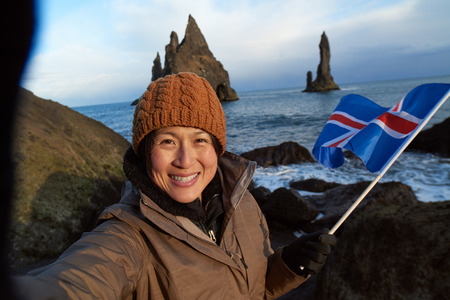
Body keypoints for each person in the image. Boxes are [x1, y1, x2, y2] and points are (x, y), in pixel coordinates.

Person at [13, 72, 336, 299]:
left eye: (199, 140)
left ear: (217, 149)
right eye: (167, 141)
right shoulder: (128, 237)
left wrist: (288, 266)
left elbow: (253, 289)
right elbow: (78, 280)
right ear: (144, 152)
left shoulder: (242, 204)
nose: (185, 159)